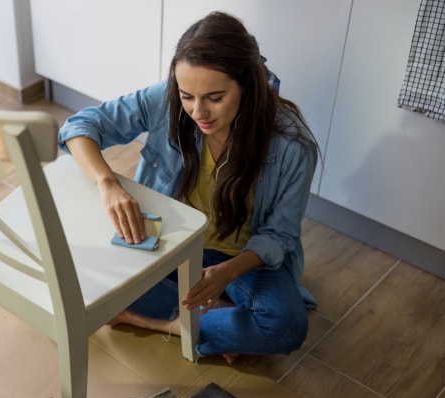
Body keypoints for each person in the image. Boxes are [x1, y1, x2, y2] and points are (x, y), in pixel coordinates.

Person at [58, 11, 319, 364]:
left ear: (247, 85)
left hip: (241, 261)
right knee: (80, 270)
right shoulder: (166, 100)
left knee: (287, 326)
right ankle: (196, 323)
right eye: (187, 96)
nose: (198, 112)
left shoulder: (292, 143)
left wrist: (227, 273)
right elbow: (81, 125)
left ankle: (149, 320)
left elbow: (280, 234)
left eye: (215, 97)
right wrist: (108, 184)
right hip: (172, 243)